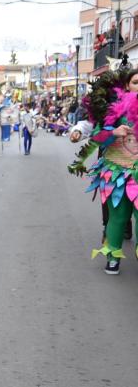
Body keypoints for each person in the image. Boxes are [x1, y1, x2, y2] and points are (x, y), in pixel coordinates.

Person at [70, 67, 138, 275]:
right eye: (136, 82)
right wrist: (113, 132)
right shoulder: (113, 109)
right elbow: (97, 137)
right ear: (126, 85)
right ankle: (113, 256)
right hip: (116, 172)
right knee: (117, 218)